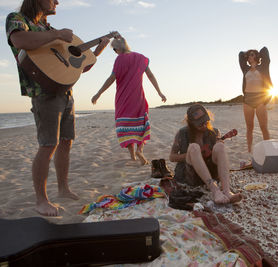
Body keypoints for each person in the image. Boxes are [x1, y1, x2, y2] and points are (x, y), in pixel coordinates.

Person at [6, 0, 110, 216]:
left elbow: (72, 65)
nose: (57, 1)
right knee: (47, 145)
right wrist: (56, 35)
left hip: (65, 91)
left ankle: (63, 188)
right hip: (43, 93)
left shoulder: (49, 29)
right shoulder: (18, 20)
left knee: (65, 142)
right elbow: (19, 39)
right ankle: (41, 200)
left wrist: (96, 52)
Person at [91, 37, 167, 165]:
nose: (115, 52)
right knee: (141, 125)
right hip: (138, 98)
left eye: (114, 49)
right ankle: (140, 150)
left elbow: (111, 78)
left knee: (125, 127)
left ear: (119, 48)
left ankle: (133, 155)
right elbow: (151, 76)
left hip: (123, 99)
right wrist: (159, 92)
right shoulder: (141, 58)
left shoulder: (119, 59)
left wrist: (98, 93)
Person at [169, 104, 242, 204]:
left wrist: (217, 145)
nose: (204, 125)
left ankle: (226, 191)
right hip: (190, 174)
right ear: (191, 123)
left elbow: (217, 154)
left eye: (205, 121)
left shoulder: (214, 132)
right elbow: (172, 157)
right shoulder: (182, 133)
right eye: (199, 123)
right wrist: (192, 155)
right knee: (194, 147)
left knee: (220, 147)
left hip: (209, 173)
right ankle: (215, 191)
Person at [239, 47, 273, 154]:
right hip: (247, 99)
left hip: (260, 99)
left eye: (252, 55)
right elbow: (240, 55)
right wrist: (246, 53)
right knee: (249, 127)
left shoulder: (263, 67)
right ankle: (249, 151)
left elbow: (265, 51)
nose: (250, 56)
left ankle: (268, 150)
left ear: (257, 57)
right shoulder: (245, 69)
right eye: (249, 55)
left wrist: (257, 53)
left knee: (263, 127)